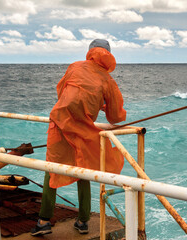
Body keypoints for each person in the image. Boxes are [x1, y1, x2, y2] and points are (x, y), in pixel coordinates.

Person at [31, 39, 126, 236]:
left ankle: (43, 222)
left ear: (90, 52)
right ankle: (83, 221)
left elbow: (61, 92)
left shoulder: (74, 67)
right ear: (109, 55)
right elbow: (116, 117)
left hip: (59, 124)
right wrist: (103, 105)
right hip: (83, 130)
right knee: (84, 170)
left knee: (52, 169)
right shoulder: (108, 80)